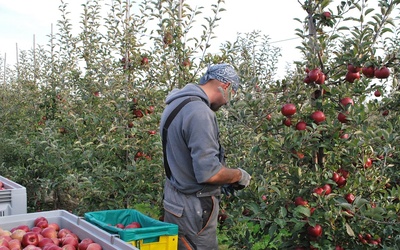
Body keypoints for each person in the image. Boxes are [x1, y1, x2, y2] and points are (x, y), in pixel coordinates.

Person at [159, 63, 251, 250]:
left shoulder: (175, 103)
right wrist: (238, 175)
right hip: (193, 208)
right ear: (225, 86)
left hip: (174, 200)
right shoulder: (200, 112)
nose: (227, 101)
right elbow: (209, 174)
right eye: (231, 94)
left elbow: (185, 158)